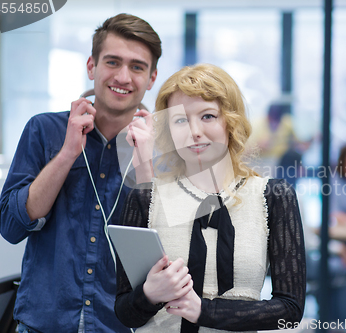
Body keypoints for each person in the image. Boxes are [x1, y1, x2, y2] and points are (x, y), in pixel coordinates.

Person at [0, 14, 161, 332]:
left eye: (137, 67)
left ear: (151, 78)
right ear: (91, 66)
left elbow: (170, 254)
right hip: (43, 324)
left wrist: (146, 164)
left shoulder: (166, 149)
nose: (123, 77)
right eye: (112, 62)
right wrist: (68, 152)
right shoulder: (44, 129)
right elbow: (11, 226)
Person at [114, 63, 306, 332]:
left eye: (207, 116)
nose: (194, 131)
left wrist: (204, 311)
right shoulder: (145, 198)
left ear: (231, 120)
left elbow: (290, 309)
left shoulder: (273, 196)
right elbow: (125, 313)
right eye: (180, 120)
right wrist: (149, 294)